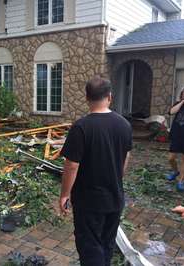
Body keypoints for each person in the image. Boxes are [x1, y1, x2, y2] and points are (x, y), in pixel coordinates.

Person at [59, 76, 132, 266]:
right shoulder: (124, 124)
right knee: (107, 243)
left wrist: (64, 195)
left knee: (90, 247)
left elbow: (72, 165)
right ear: (109, 96)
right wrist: (116, 177)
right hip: (115, 197)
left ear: (87, 98)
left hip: (89, 202)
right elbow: (126, 157)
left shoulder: (81, 127)